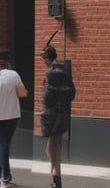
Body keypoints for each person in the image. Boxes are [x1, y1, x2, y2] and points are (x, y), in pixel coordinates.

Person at [0, 50, 28, 188]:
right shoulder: (13, 74)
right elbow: (22, 93)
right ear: (8, 62)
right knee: (3, 144)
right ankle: (6, 178)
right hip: (11, 115)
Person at [40, 45, 76, 188]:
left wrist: (45, 106)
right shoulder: (65, 71)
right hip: (63, 112)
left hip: (52, 112)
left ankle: (54, 174)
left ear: (47, 57)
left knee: (51, 143)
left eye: (43, 58)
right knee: (57, 142)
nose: (43, 61)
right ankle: (57, 176)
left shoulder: (51, 73)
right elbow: (72, 92)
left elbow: (48, 95)